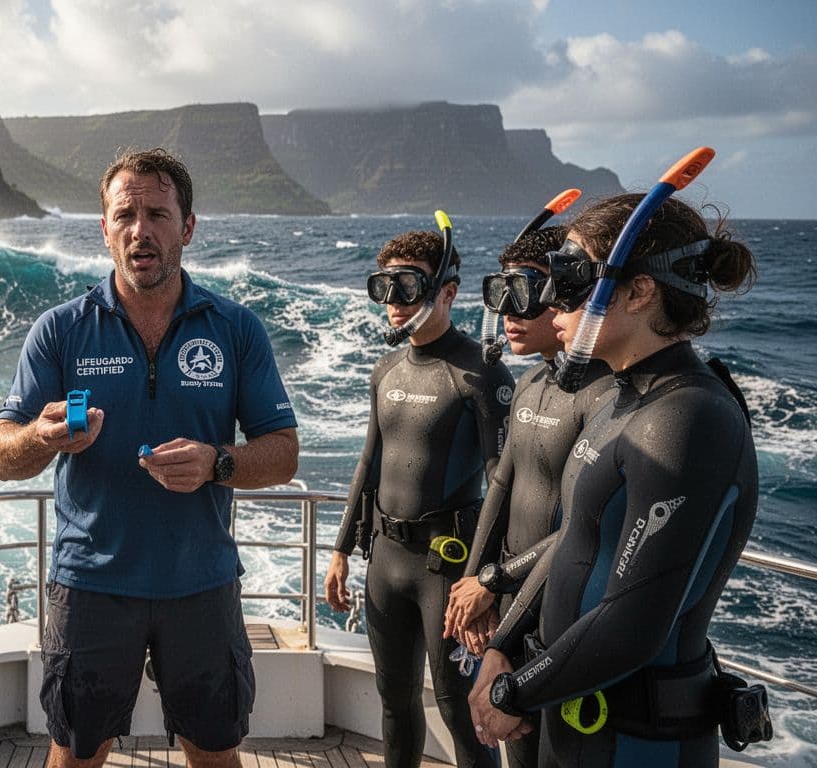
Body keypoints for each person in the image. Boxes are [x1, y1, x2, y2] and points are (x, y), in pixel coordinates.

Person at [0, 148, 299, 768]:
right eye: (125, 214)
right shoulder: (61, 329)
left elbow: (283, 453)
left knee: (215, 754)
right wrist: (41, 439)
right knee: (75, 755)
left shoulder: (235, 329)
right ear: (104, 229)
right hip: (92, 585)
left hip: (201, 583)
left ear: (188, 226)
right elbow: (1, 454)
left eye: (158, 212)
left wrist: (218, 463)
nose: (140, 229)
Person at [468, 194, 760, 767]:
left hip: (634, 741)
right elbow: (575, 542)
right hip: (573, 717)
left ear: (639, 291)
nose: (550, 297)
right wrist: (503, 648)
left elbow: (634, 623)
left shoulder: (688, 419)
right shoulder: (623, 401)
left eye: (570, 277)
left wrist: (515, 691)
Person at [324, 228, 513, 768]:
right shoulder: (386, 370)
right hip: (385, 559)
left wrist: (483, 581)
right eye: (384, 286)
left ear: (447, 293)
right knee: (395, 702)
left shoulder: (481, 374)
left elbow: (503, 486)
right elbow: (369, 463)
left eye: (407, 285)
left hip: (448, 570)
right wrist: (339, 550)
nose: (393, 301)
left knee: (460, 710)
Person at [440, 225, 614, 767]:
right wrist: (474, 581)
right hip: (512, 608)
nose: (510, 310)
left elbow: (582, 527)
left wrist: (492, 582)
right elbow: (503, 486)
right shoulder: (533, 385)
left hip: (564, 616)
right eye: (502, 292)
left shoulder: (604, 394)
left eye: (527, 291)